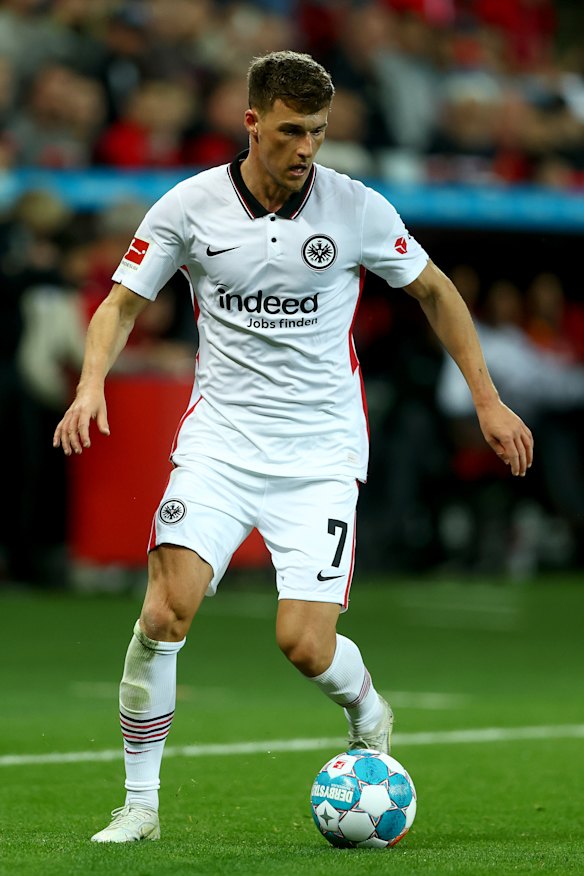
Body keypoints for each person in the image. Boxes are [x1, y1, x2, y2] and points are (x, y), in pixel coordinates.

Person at [53, 50, 534, 843]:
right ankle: (140, 804)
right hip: (220, 444)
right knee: (165, 612)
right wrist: (91, 382)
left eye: (317, 131)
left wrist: (487, 398)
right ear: (251, 122)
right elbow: (119, 303)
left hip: (318, 456)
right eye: (289, 131)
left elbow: (435, 291)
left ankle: (369, 710)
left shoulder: (357, 209)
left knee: (303, 645)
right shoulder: (189, 206)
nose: (306, 147)